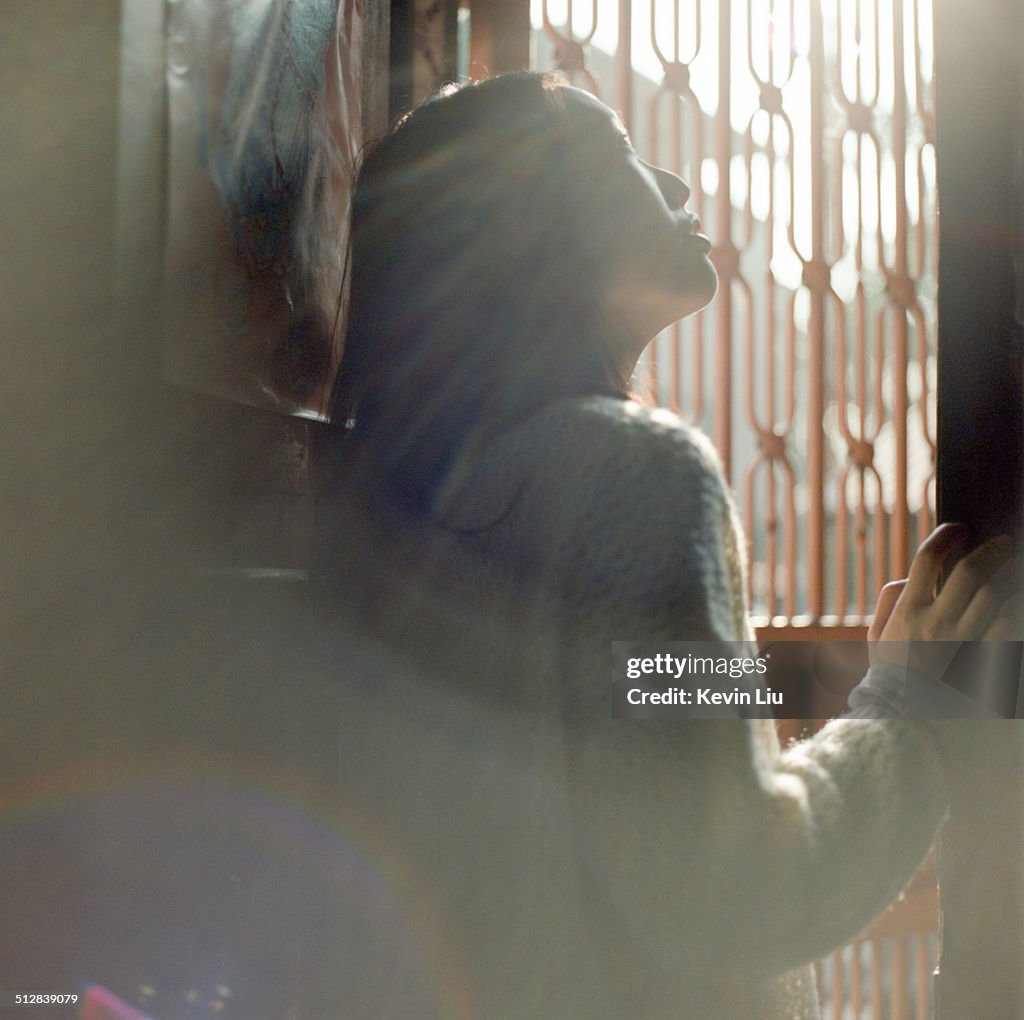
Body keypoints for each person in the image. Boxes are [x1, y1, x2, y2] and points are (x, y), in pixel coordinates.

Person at [320, 72, 1017, 1018]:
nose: (678, 188)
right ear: (530, 229)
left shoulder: (413, 503)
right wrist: (915, 705)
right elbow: (741, 891)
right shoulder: (633, 482)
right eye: (617, 157)